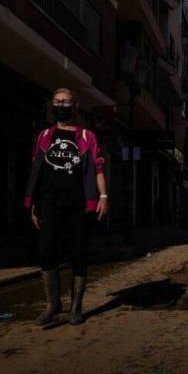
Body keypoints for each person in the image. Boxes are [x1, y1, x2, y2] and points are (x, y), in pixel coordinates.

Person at [24, 88, 108, 326]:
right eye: (56, 101)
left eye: (65, 102)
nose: (60, 105)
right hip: (49, 203)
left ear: (75, 105)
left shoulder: (86, 137)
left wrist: (103, 196)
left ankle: (76, 307)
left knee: (79, 253)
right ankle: (53, 304)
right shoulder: (44, 136)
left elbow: (98, 168)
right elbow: (36, 170)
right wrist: (33, 203)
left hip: (78, 205)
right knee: (44, 250)